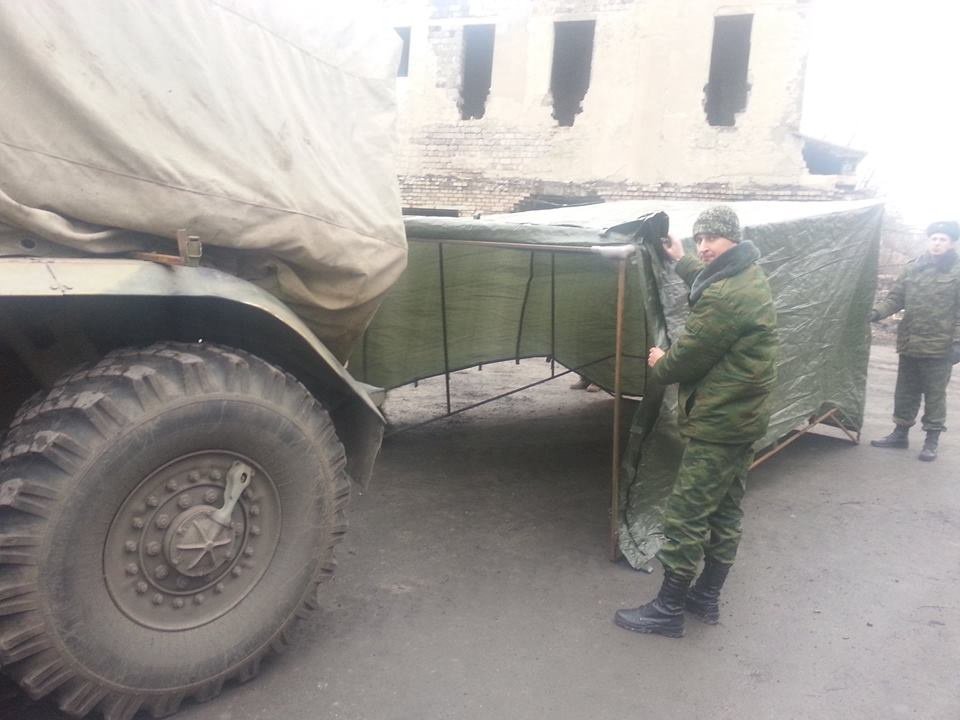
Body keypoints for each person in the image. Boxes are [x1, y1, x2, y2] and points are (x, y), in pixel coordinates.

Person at [614, 205, 778, 638]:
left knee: (686, 513)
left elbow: (683, 363)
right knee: (724, 510)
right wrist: (681, 257)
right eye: (700, 239)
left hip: (719, 422)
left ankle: (668, 609)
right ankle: (705, 598)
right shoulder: (748, 276)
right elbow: (714, 286)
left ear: (734, 241)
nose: (705, 247)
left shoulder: (727, 297)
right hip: (742, 419)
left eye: (713, 240)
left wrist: (661, 361)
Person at [870, 220, 960, 461]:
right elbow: (895, 298)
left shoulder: (957, 271)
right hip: (910, 341)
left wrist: (958, 343)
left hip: (940, 345)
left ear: (952, 243)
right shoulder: (913, 268)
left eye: (942, 239)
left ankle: (932, 440)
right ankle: (900, 434)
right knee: (905, 391)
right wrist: (876, 312)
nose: (937, 243)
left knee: (935, 395)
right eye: (934, 239)